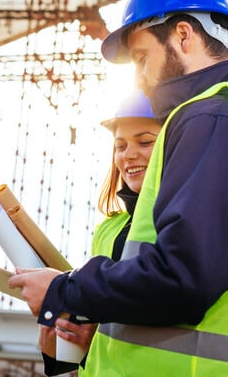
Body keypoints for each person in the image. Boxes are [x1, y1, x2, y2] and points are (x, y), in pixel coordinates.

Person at [9, 0, 228, 376]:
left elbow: (183, 277)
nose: (139, 78)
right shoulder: (223, 115)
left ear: (182, 35)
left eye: (142, 58)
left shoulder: (215, 116)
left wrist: (63, 290)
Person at [39, 90, 161, 376]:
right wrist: (61, 344)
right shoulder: (108, 229)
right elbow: (101, 334)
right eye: (120, 146)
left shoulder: (183, 223)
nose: (128, 154)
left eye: (144, 142)